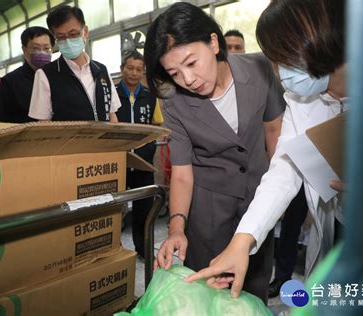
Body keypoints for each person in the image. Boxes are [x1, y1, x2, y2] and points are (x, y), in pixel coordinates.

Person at [186, 0, 347, 299]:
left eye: (283, 57)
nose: (278, 70)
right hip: (335, 231)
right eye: (274, 60)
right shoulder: (302, 100)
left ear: (321, 39)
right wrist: (243, 240)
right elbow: (283, 171)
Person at [144, 2, 285, 303]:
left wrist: (278, 195)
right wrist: (177, 227)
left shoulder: (260, 69)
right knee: (210, 292)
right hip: (208, 212)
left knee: (254, 286)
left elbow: (274, 132)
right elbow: (182, 172)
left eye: (192, 63)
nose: (188, 80)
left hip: (258, 200)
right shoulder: (174, 101)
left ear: (213, 42)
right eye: (174, 72)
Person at [29, 5, 120, 122]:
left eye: (73, 34)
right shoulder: (45, 75)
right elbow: (43, 124)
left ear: (85, 32)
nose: (68, 41)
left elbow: (112, 114)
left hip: (102, 140)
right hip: (68, 140)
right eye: (61, 37)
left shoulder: (101, 70)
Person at [115, 51, 163, 258]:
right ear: (122, 69)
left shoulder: (150, 96)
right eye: (130, 68)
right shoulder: (111, 95)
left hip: (143, 163)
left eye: (139, 69)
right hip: (117, 163)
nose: (134, 73)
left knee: (144, 211)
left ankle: (143, 250)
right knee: (114, 210)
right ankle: (112, 250)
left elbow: (157, 124)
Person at [0, 26, 54, 123]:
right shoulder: (9, 82)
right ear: (24, 49)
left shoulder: (59, 76)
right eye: (35, 48)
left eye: (46, 48)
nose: (42, 53)